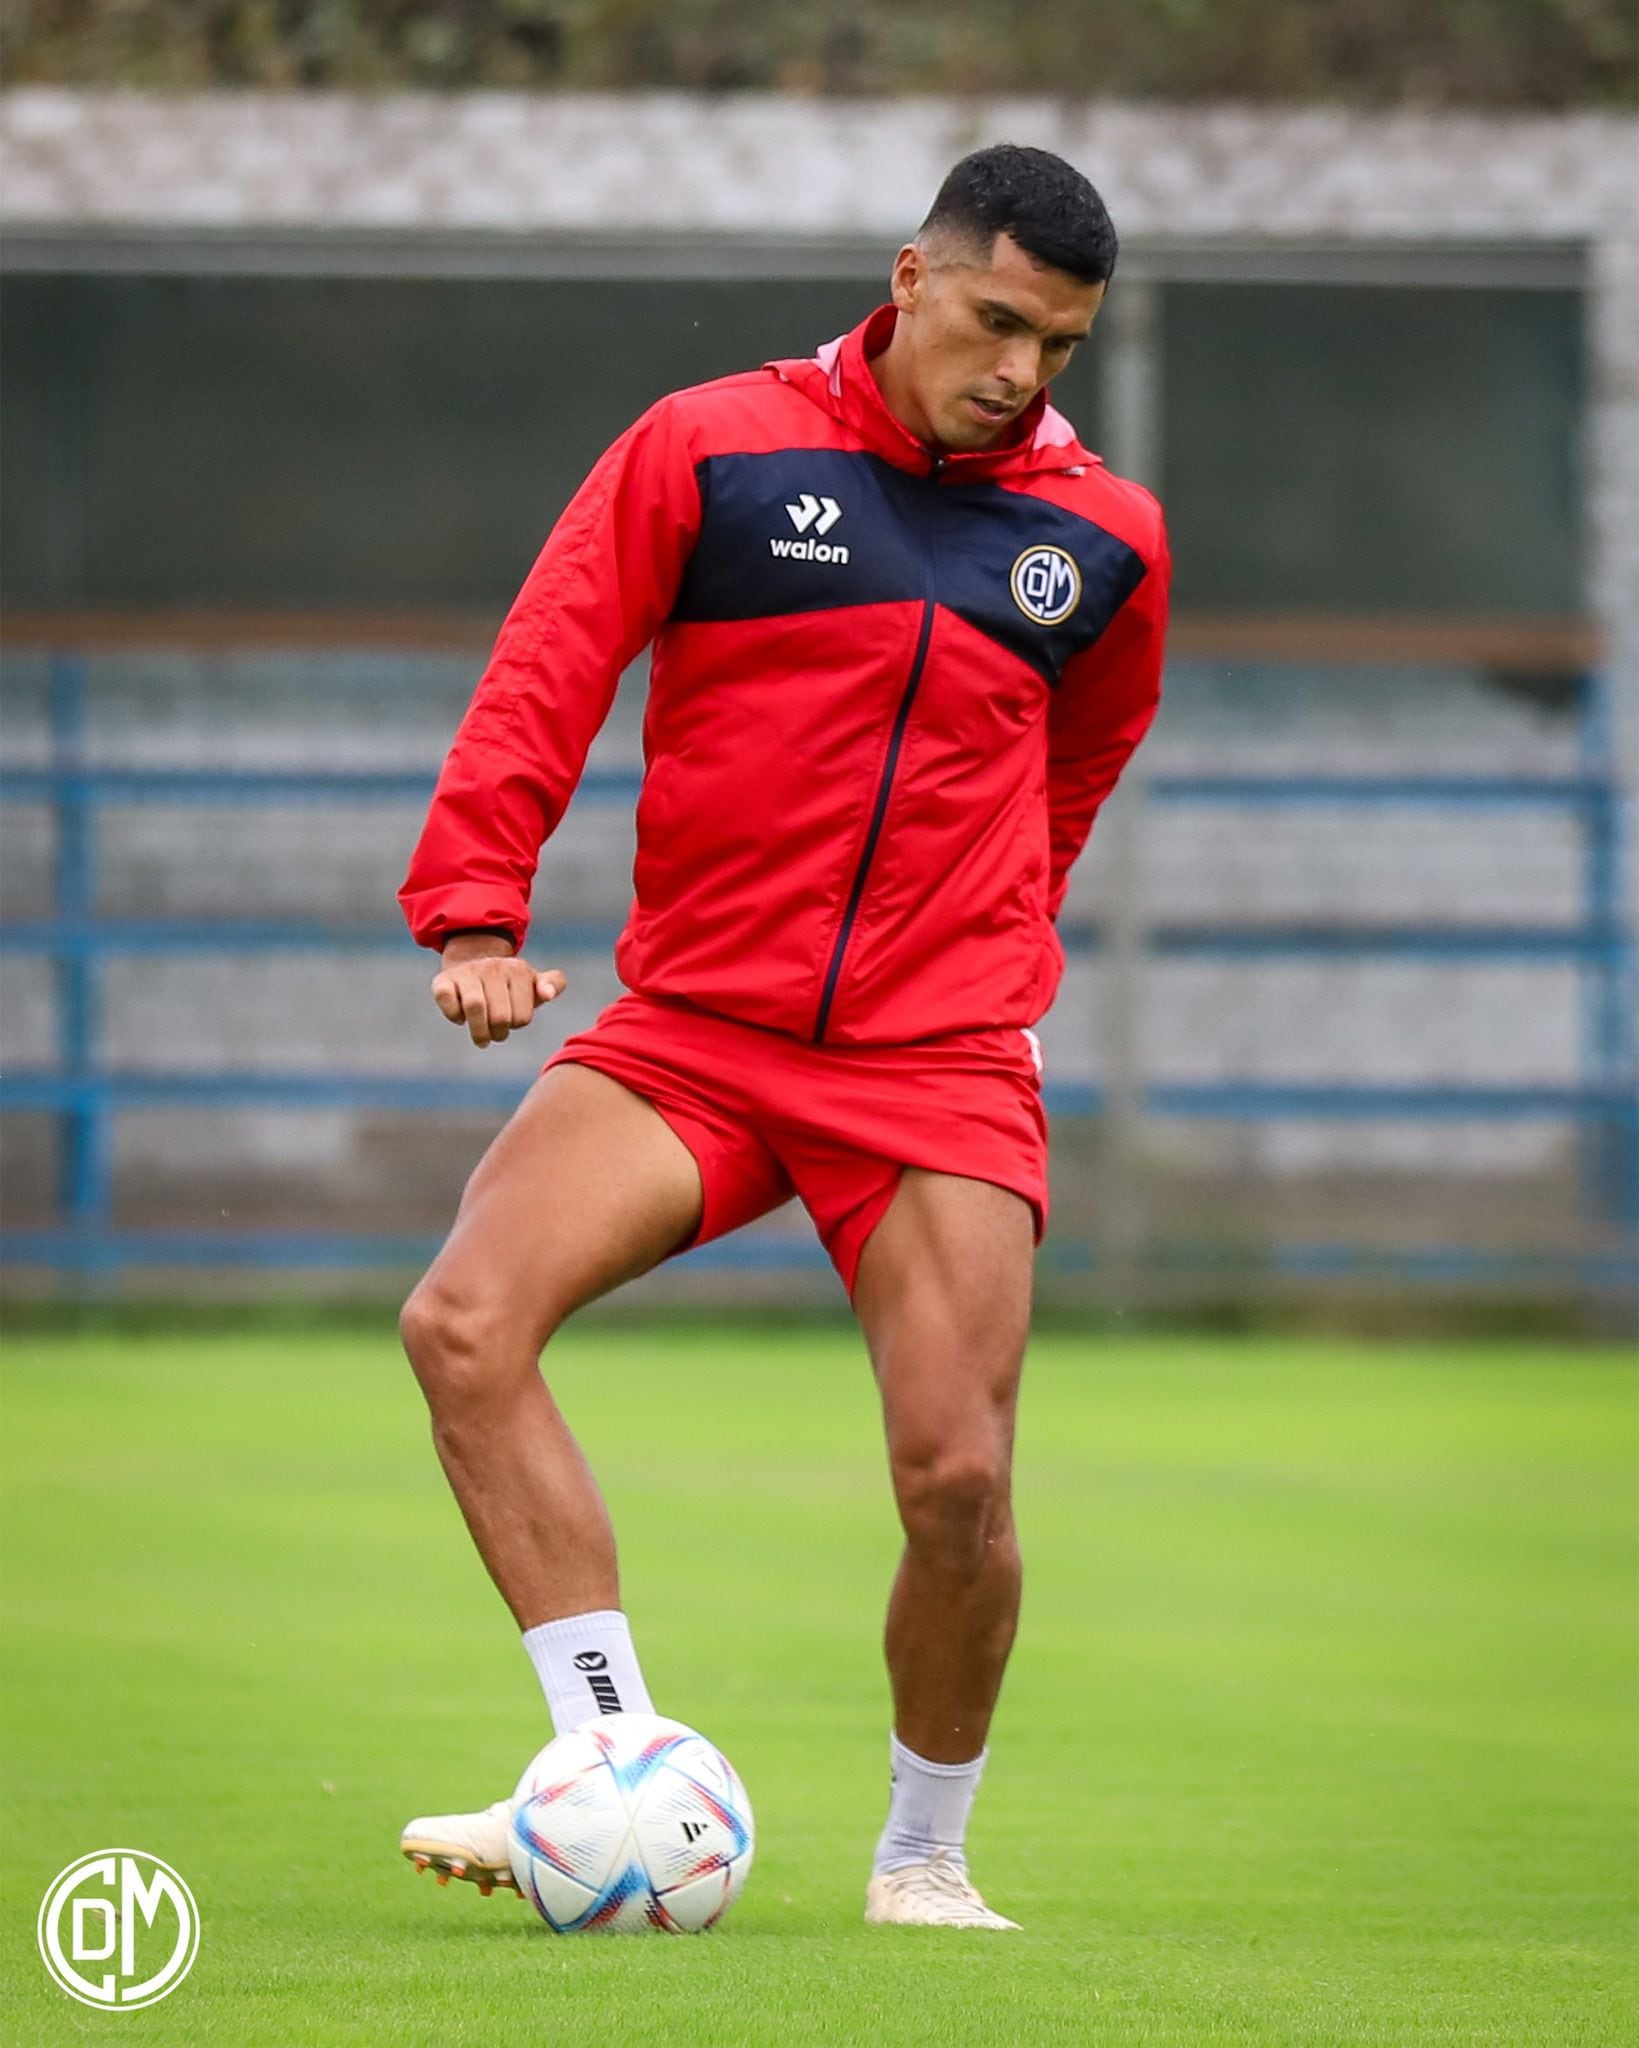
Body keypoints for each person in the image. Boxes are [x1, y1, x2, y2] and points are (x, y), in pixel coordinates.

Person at [395, 141, 1170, 1930]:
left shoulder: (1106, 538)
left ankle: (923, 1855)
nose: (1022, 374)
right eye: (996, 323)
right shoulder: (710, 445)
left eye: (1061, 348)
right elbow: (555, 655)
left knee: (959, 1477)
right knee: (463, 1324)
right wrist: (479, 911)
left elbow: (1079, 760)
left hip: (938, 1060)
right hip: (698, 1028)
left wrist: (994, 940)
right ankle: (609, 1763)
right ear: (910, 277)